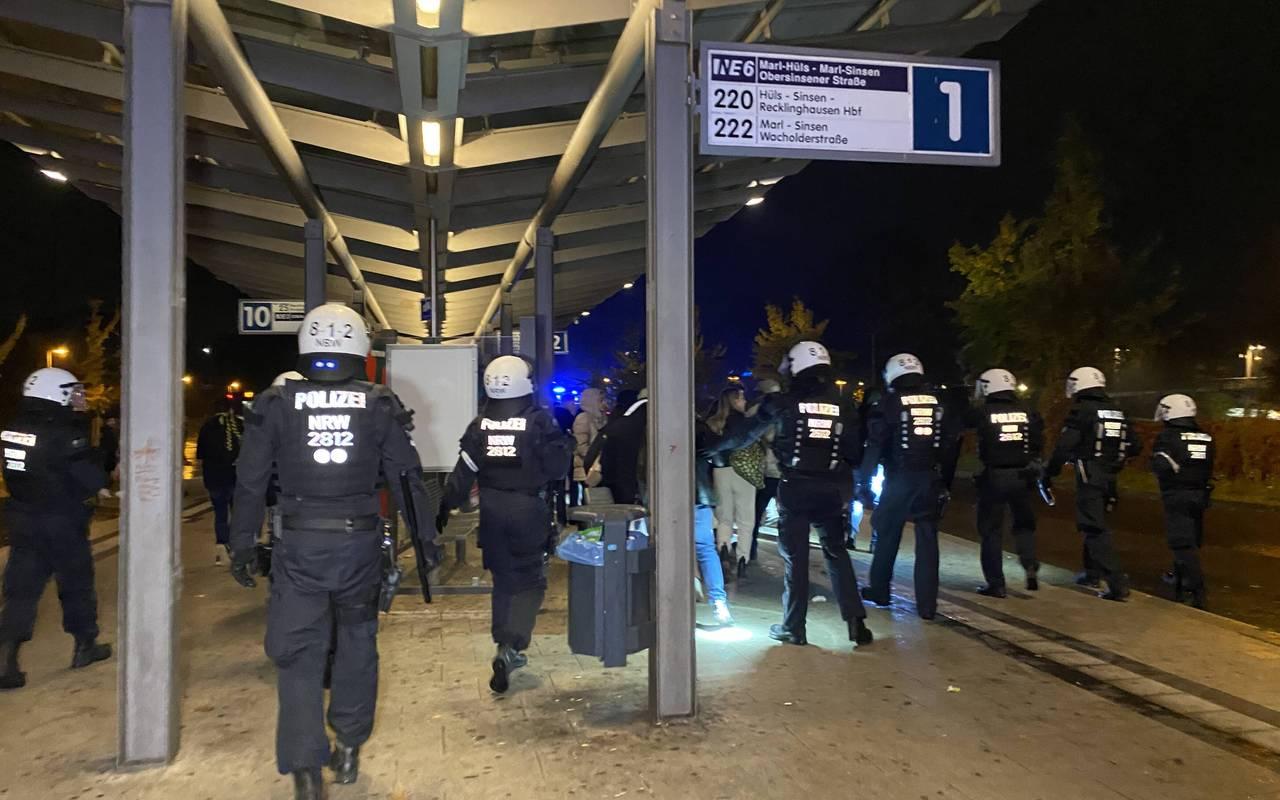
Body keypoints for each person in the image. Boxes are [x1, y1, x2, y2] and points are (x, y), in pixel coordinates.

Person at [226, 303, 439, 799]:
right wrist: (425, 543)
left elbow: (250, 482)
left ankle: (304, 766)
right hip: (358, 547)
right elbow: (407, 479)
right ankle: (347, 746)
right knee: (357, 645)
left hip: (298, 547)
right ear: (360, 348)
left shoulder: (276, 403)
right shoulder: (379, 403)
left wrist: (241, 545)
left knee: (299, 654)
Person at [437, 355, 572, 694]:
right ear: (526, 383)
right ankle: (511, 647)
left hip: (492, 511)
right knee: (530, 580)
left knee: (502, 579)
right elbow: (558, 468)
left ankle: (503, 643)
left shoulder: (479, 425)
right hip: (529, 510)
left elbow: (462, 474)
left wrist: (443, 507)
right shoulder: (540, 421)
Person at [752, 341, 873, 649]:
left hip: (796, 488)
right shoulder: (842, 403)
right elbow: (854, 451)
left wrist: (715, 449)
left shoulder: (785, 401)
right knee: (836, 553)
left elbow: (748, 432)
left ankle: (794, 628)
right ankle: (856, 622)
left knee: (796, 559)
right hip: (831, 489)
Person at [0, 368, 111, 690]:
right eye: (74, 392)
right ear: (55, 394)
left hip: (23, 519)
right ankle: (85, 645)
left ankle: (7, 656)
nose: (81, 398)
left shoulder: (13, 428)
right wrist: (100, 464)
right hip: (61, 519)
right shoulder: (65, 431)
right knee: (76, 584)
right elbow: (89, 477)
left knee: (21, 591)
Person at [859, 353, 958, 621]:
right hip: (930, 478)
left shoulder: (888, 403)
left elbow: (875, 445)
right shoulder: (939, 402)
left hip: (899, 479)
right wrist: (944, 482)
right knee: (928, 541)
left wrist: (863, 482)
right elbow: (950, 444)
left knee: (887, 534)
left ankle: (879, 590)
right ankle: (927, 606)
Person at [1042, 366, 1139, 601]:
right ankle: (1092, 573)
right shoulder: (1116, 411)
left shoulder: (1082, 410)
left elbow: (1065, 445)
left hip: (1089, 474)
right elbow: (1135, 445)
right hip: (1110, 476)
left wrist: (1050, 472)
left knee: (1092, 527)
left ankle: (1116, 583)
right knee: (1097, 521)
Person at [965, 368, 1044, 598]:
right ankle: (1029, 563)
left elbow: (964, 422)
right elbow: (1039, 440)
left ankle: (996, 584)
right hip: (1023, 475)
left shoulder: (983, 412)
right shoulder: (1028, 411)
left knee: (990, 531)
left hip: (994, 477)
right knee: (1024, 524)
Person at [1150, 394, 1214, 609]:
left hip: (1176, 495)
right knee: (1190, 539)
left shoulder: (1168, 437)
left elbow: (1160, 465)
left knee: (1181, 543)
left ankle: (1197, 589)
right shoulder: (1205, 437)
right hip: (1200, 495)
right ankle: (1178, 578)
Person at [706, 385, 761, 578]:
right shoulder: (746, 423)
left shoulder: (714, 423)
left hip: (721, 471)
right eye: (742, 398)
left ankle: (723, 547)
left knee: (724, 517)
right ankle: (742, 559)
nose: (744, 402)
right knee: (746, 520)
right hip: (743, 473)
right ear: (735, 400)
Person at [197, 393, 244, 564]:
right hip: (235, 477)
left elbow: (200, 454)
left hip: (214, 478)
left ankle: (221, 545)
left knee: (220, 513)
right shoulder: (239, 425)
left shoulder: (207, 427)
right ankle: (237, 546)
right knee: (237, 512)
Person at [588, 388, 648, 505]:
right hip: (631, 481)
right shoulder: (643, 421)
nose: (605, 403)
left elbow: (599, 453)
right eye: (601, 400)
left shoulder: (619, 423)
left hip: (619, 483)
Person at [748, 379, 782, 563]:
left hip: (763, 471)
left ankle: (750, 549)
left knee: (755, 512)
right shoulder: (787, 411)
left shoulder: (757, 411)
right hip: (783, 471)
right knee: (788, 517)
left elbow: (746, 436)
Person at [572, 387, 607, 502]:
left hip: (597, 465)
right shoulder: (583, 418)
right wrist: (595, 455)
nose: (604, 403)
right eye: (600, 400)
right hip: (586, 467)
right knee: (590, 498)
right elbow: (580, 445)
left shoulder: (602, 418)